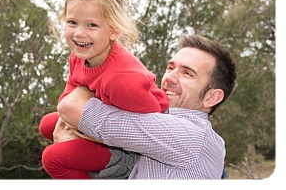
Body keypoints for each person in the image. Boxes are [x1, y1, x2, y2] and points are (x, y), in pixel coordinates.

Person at [38, 0, 169, 179]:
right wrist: (71, 123)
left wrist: (89, 135)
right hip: (100, 122)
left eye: (92, 25)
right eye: (72, 22)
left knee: (53, 158)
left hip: (130, 151)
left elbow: (148, 132)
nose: (79, 33)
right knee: (47, 124)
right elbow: (72, 86)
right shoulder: (80, 55)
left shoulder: (122, 80)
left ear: (113, 30)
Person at [56, 34, 237, 179]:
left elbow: (72, 107)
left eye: (187, 73)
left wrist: (83, 84)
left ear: (212, 98)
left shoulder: (195, 137)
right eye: (170, 68)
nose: (170, 78)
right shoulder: (158, 133)